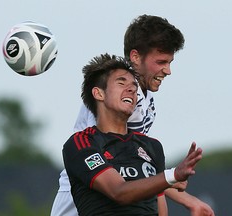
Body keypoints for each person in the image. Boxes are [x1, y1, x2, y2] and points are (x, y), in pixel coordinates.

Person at [51, 14, 214, 216]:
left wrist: (176, 188)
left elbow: (139, 169)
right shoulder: (116, 98)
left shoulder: (143, 101)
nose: (168, 70)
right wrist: (176, 184)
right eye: (161, 61)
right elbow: (122, 174)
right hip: (88, 195)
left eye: (170, 62)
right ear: (136, 57)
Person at [62, 53, 203, 216]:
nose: (131, 89)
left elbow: (160, 210)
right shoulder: (82, 143)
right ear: (99, 93)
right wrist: (172, 176)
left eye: (134, 88)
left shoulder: (152, 147)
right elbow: (119, 192)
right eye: (121, 83)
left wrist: (168, 179)